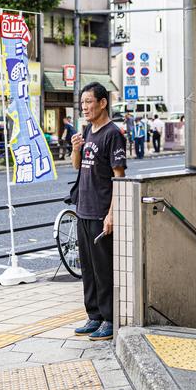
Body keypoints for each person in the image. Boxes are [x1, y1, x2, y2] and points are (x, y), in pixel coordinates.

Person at [71, 82, 126, 342]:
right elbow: (77, 167)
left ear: (103, 103)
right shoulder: (88, 131)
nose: (85, 107)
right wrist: (75, 149)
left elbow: (119, 176)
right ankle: (93, 315)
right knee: (89, 268)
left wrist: (112, 213)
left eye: (89, 102)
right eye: (82, 103)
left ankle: (109, 318)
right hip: (84, 209)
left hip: (102, 210)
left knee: (104, 269)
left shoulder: (113, 134)